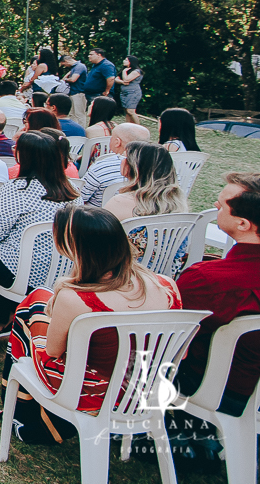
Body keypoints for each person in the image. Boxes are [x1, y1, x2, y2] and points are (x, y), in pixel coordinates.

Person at [0, 204, 182, 445]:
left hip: (93, 392)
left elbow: (52, 352)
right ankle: (31, 414)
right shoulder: (166, 286)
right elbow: (182, 350)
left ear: (74, 249)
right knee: (38, 304)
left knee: (30, 309)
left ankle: (22, 413)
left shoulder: (75, 298)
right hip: (147, 389)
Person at [0, 131, 81, 333]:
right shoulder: (73, 190)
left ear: (25, 157)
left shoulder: (18, 189)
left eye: (18, 149)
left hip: (22, 271)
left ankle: (6, 313)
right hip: (62, 268)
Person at [174, 172, 260, 418]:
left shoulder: (209, 279)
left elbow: (170, 340)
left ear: (243, 223)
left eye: (221, 204)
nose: (215, 206)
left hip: (210, 387)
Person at [104, 142, 188, 274]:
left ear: (135, 168)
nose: (121, 162)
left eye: (124, 158)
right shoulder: (179, 205)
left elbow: (98, 242)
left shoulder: (121, 202)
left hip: (123, 277)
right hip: (163, 278)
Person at [78, 122, 150, 206]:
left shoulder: (103, 166)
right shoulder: (155, 167)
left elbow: (80, 196)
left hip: (98, 215)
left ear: (117, 142)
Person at [58, 54, 89, 127]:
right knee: (72, 114)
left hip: (79, 93)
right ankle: (74, 128)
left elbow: (73, 79)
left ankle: (81, 130)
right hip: (73, 93)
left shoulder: (79, 66)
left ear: (66, 61)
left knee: (79, 114)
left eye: (64, 64)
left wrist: (65, 79)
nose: (65, 66)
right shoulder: (74, 68)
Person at [83, 48, 117, 112]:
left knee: (100, 114)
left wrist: (107, 91)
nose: (89, 56)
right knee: (95, 114)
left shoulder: (106, 65)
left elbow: (111, 78)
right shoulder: (96, 65)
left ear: (99, 55)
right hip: (92, 94)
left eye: (91, 54)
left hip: (100, 95)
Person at [114, 56, 143, 124]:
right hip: (124, 92)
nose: (124, 61)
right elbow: (116, 79)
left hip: (133, 92)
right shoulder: (126, 70)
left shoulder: (136, 71)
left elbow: (126, 79)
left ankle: (138, 127)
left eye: (126, 60)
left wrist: (124, 72)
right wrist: (122, 82)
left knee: (131, 111)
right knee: (127, 112)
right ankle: (128, 126)